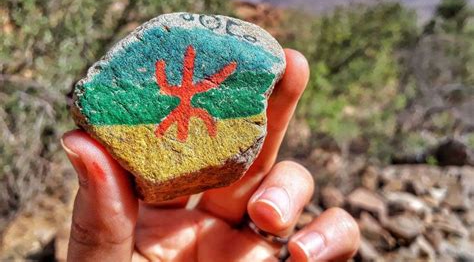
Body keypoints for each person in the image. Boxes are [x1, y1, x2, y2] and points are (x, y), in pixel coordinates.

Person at [61, 49, 360, 261]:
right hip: (181, 121)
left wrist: (222, 74)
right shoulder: (177, 88)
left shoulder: (188, 89)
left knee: (194, 117)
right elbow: (180, 82)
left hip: (188, 117)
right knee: (185, 118)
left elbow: (199, 82)